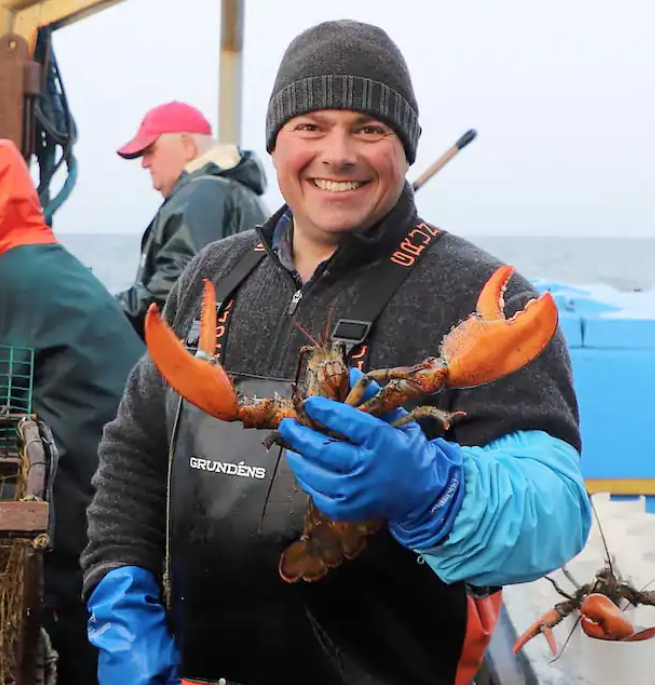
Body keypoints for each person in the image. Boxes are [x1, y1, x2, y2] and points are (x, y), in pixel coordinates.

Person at [81, 19, 592, 685]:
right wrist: (120, 595)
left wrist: (437, 491)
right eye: (311, 126)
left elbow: (554, 507)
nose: (338, 153)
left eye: (369, 129)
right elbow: (134, 456)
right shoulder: (218, 274)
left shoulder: (474, 293)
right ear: (277, 142)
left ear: (404, 147)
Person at [0, 139, 145, 685]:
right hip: (124, 500)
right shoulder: (47, 263)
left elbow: (5, 405)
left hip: (79, 501)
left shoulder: (10, 278)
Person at [113, 100, 270, 338]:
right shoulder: (233, 191)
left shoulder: (202, 194)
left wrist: (103, 310)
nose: (144, 163)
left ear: (187, 145)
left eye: (150, 151)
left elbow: (178, 287)